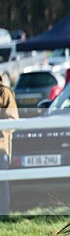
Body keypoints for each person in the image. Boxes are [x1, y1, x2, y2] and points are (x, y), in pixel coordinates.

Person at [0, 82, 19, 215]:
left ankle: (3, 213)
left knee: (2, 183)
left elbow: (12, 120)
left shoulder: (4, 92)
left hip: (1, 147)